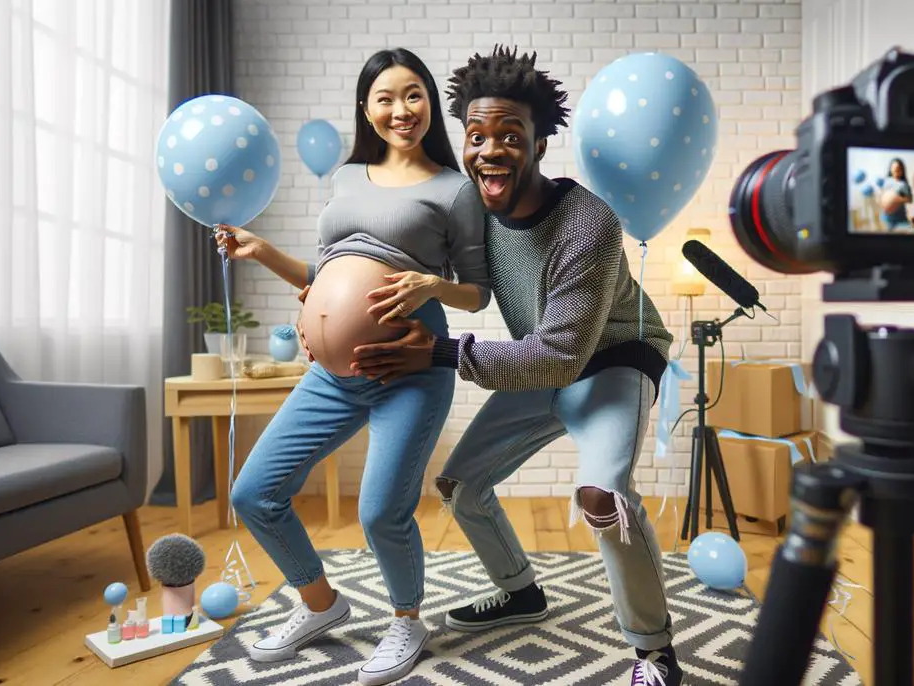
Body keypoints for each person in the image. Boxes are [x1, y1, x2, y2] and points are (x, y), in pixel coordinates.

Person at [350, 46, 684, 686]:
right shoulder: (475, 209)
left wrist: (443, 352)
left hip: (613, 358)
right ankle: (520, 592)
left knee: (603, 497)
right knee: (461, 485)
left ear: (537, 142)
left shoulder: (588, 223)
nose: (490, 150)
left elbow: (563, 353)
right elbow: (416, 256)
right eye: (477, 136)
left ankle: (654, 652)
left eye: (510, 135)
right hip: (542, 359)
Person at [215, 48, 489, 685]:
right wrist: (266, 255)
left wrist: (429, 285)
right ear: (366, 108)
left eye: (414, 94)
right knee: (254, 493)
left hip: (410, 371)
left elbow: (477, 291)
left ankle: (407, 620)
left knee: (378, 512)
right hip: (329, 378)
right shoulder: (345, 179)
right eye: (386, 97)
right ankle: (320, 603)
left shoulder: (455, 190)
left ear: (430, 103)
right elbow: (326, 276)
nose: (402, 109)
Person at [878, 157, 913, 230]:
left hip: (900, 218)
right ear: (891, 170)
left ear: (902, 171)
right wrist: (883, 201)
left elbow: (910, 199)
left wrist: (897, 199)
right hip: (887, 218)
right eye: (894, 169)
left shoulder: (903, 184)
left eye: (898, 170)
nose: (896, 172)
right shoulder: (886, 181)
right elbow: (882, 195)